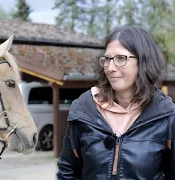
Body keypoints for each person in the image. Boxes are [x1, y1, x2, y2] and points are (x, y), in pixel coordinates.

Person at [57, 26, 175, 179]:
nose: (110, 68)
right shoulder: (83, 110)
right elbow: (68, 172)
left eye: (121, 58)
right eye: (107, 59)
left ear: (143, 62)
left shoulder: (167, 116)